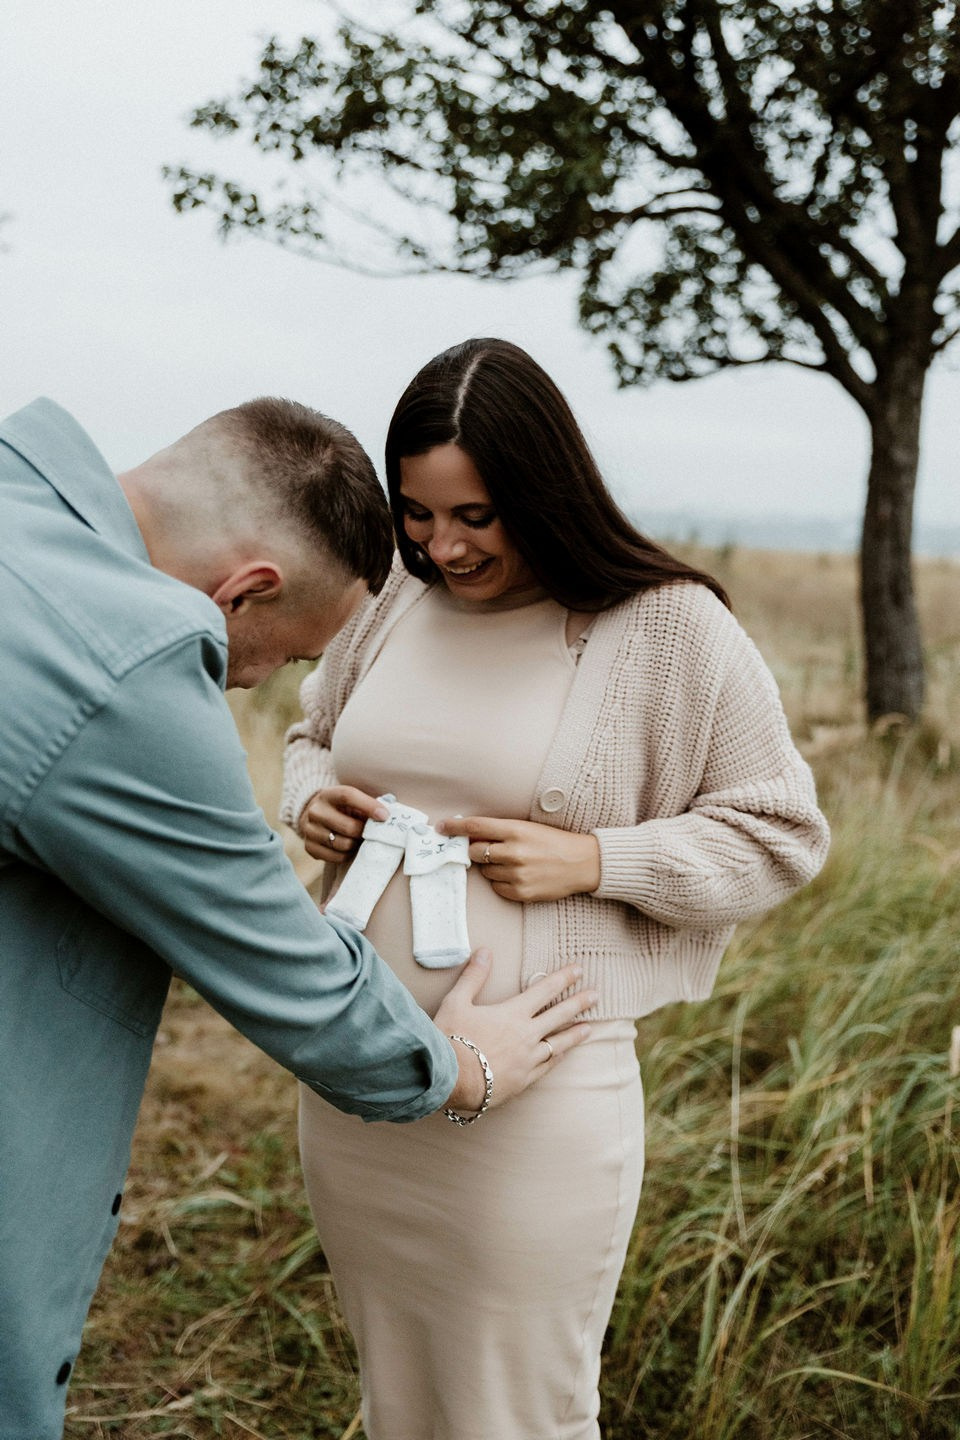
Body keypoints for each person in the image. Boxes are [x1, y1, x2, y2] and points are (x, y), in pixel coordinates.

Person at [0, 394, 594, 1440]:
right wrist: (460, 1065)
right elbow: (281, 962)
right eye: (284, 656)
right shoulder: (122, 674)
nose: (258, 683)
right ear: (245, 590)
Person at [281, 338, 831, 1440]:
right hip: (364, 1072)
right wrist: (313, 799)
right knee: (402, 1401)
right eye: (416, 514)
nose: (442, 546)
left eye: (475, 516)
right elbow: (313, 732)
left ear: (544, 490)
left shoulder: (664, 626)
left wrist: (597, 860)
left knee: (518, 1410)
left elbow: (783, 833)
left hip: (534, 1098)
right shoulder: (394, 598)